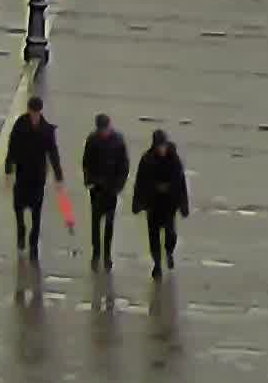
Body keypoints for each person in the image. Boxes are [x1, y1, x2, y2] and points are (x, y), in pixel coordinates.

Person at [5, 96, 62, 260]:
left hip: (37, 175)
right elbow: (12, 146)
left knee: (36, 212)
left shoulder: (46, 130)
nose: (35, 115)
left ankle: (33, 242)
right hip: (23, 172)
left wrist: (58, 174)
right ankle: (21, 229)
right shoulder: (20, 125)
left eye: (37, 112)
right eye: (33, 112)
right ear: (29, 110)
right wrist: (9, 167)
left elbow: (53, 152)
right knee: (18, 207)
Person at [132, 128, 190, 275]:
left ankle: (169, 252)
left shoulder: (174, 160)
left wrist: (183, 205)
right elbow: (140, 182)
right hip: (153, 203)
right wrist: (137, 202)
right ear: (155, 145)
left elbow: (181, 183)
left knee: (170, 234)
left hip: (169, 204)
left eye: (163, 146)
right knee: (154, 237)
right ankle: (157, 264)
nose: (161, 149)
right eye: (159, 146)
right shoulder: (147, 159)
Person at [79, 113, 132, 274]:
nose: (103, 132)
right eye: (101, 130)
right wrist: (89, 181)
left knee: (109, 223)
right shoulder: (92, 140)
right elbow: (86, 162)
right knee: (95, 221)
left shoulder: (118, 141)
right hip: (97, 187)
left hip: (111, 189)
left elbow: (124, 165)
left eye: (105, 129)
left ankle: (107, 254)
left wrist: (119, 185)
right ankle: (96, 252)